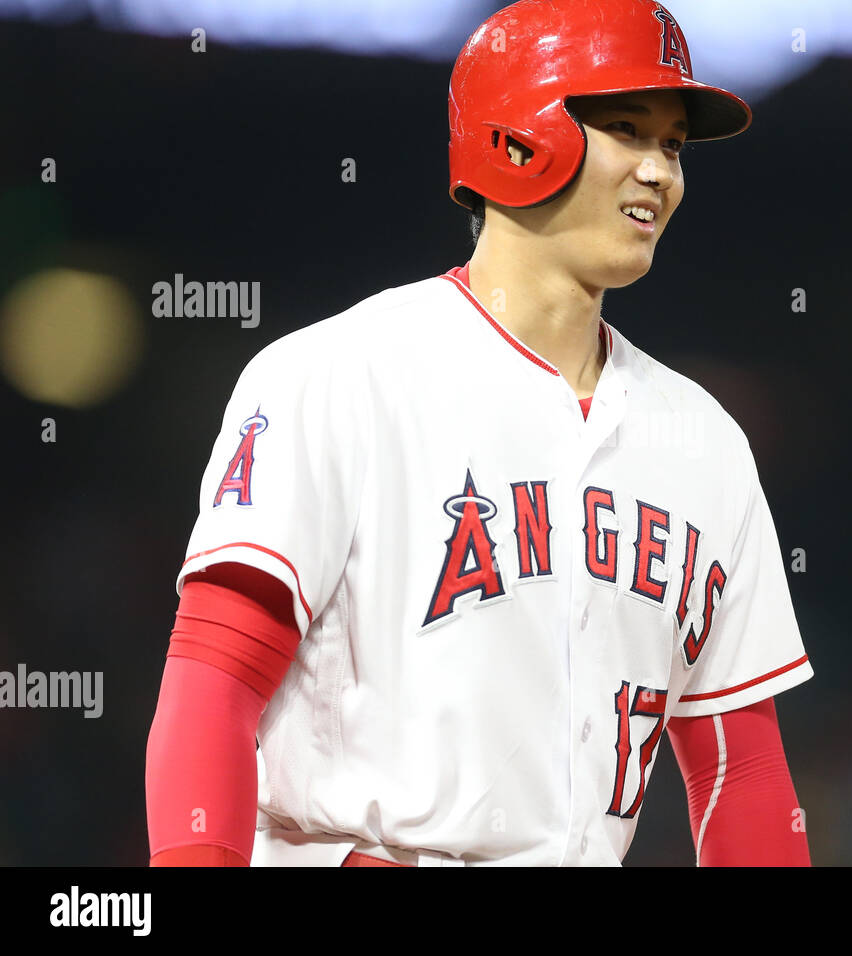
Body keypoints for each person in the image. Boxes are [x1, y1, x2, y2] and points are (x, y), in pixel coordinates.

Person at [145, 0, 813, 867]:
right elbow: (215, 676)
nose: (659, 173)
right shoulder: (342, 374)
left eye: (674, 146)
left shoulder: (706, 443)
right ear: (518, 135)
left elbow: (744, 767)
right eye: (626, 128)